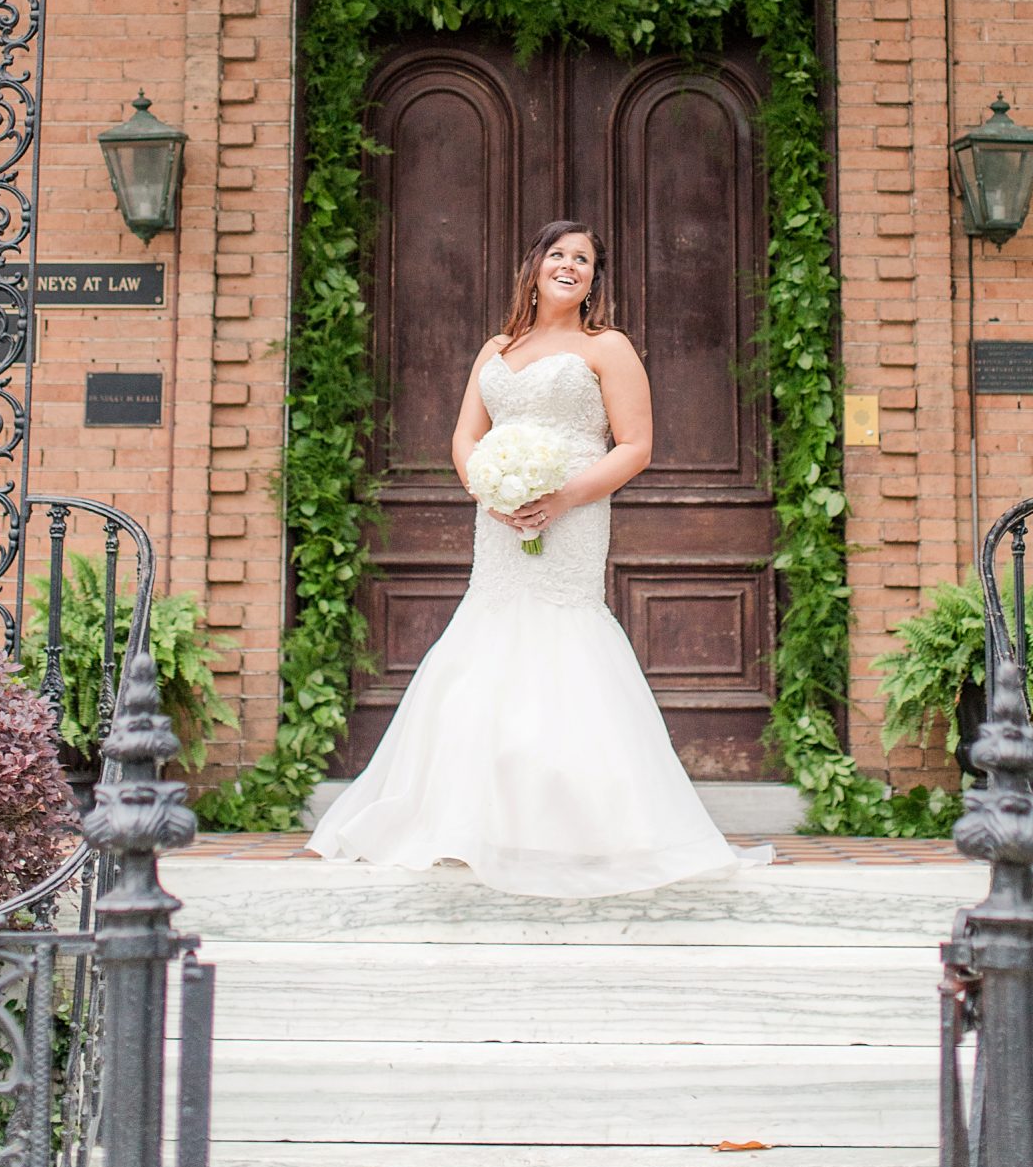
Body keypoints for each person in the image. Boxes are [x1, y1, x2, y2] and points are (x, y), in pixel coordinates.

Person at [307, 219, 770, 897]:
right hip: (498, 522)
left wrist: (561, 499)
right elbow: (466, 435)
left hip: (573, 517)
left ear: (593, 279)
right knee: (486, 643)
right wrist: (486, 489)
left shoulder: (606, 347)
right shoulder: (498, 347)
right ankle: (466, 820)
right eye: (559, 253)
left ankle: (584, 830)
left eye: (583, 259)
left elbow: (635, 446)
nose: (570, 265)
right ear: (535, 265)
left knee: (564, 640)